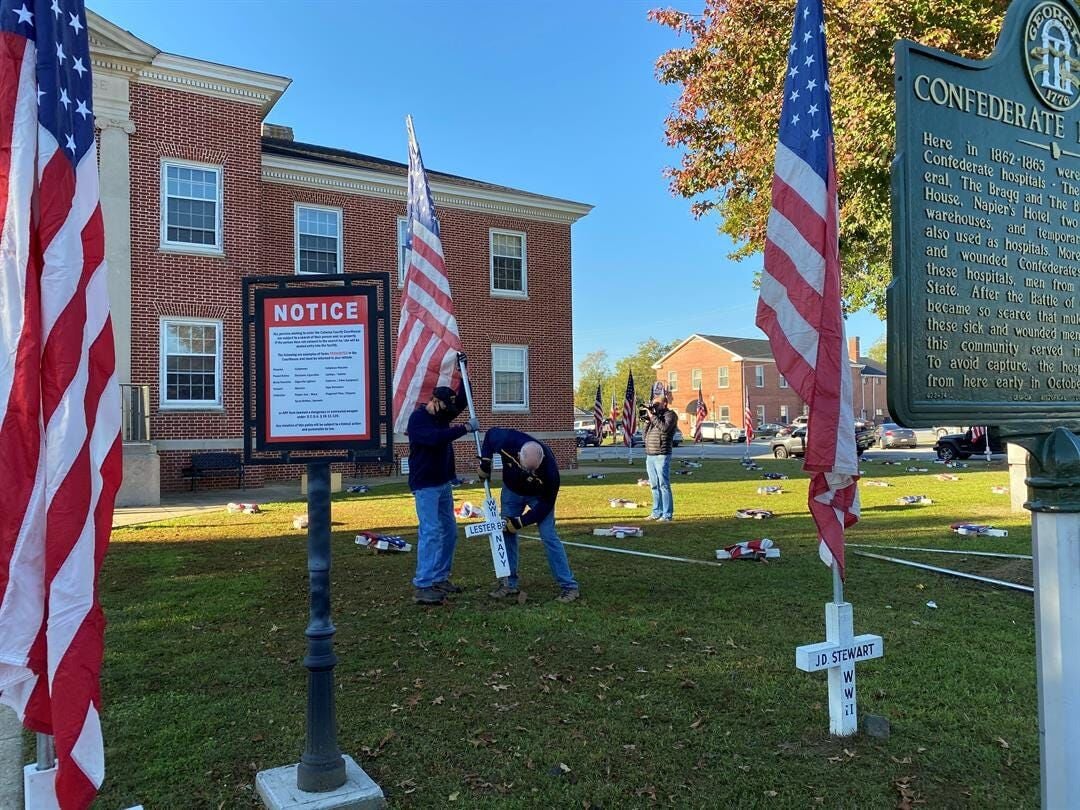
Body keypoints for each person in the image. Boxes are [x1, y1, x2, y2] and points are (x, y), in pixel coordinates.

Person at [477, 428, 579, 603]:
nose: (530, 474)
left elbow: (545, 506)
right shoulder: (506, 440)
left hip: (538, 497)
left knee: (548, 536)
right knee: (506, 533)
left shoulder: (551, 472)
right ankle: (509, 583)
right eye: (527, 469)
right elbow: (489, 435)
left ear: (541, 460)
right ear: (519, 456)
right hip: (512, 491)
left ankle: (569, 586)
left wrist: (521, 522)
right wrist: (486, 462)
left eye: (534, 470)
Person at [406, 382, 478, 605]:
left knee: (449, 531)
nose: (449, 413)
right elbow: (435, 439)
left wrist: (463, 370)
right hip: (425, 484)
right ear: (434, 401)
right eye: (445, 407)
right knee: (431, 531)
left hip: (443, 483)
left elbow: (463, 401)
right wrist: (464, 428)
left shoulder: (443, 414)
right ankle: (423, 585)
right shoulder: (418, 420)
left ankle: (440, 577)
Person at [640, 388, 678, 521]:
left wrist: (653, 417)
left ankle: (667, 514)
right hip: (650, 454)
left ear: (664, 404)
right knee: (654, 485)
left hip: (662, 454)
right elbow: (645, 436)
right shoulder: (654, 418)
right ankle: (656, 511)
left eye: (657, 405)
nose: (654, 408)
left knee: (663, 485)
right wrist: (647, 421)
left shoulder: (670, 415)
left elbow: (665, 428)